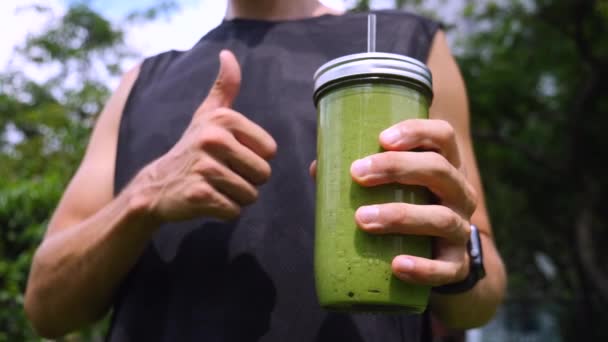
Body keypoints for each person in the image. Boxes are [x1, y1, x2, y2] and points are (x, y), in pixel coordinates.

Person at [24, 0, 506, 341]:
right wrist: (144, 195)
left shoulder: (407, 49)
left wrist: (458, 261)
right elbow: (46, 307)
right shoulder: (142, 81)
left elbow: (482, 293)